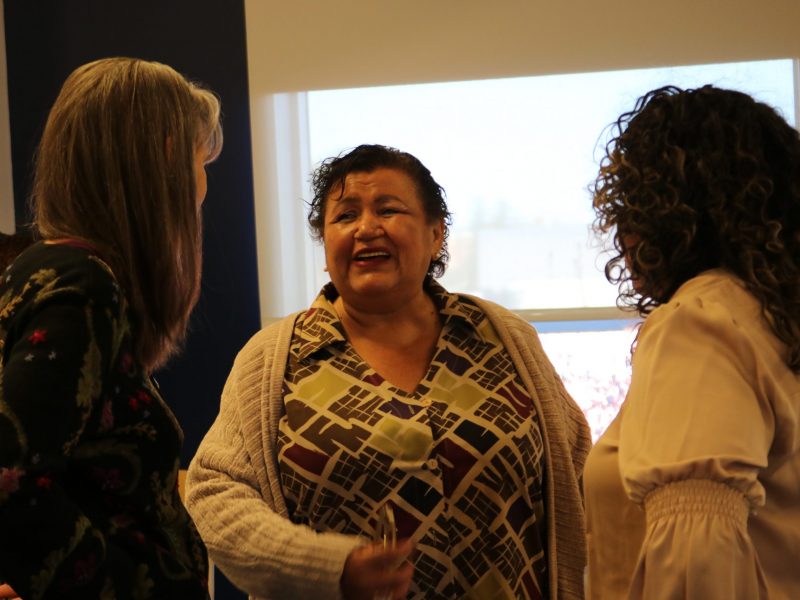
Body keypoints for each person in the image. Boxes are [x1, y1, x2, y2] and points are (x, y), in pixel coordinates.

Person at [186, 143, 591, 599]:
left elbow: (577, 471)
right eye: (344, 216)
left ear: (436, 234)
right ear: (325, 243)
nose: (366, 228)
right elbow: (215, 491)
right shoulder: (274, 359)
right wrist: (324, 567)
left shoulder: (504, 338)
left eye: (388, 209)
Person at [0, 57, 222, 599]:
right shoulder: (83, 285)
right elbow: (12, 484)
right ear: (166, 156)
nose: (203, 183)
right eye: (199, 158)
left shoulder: (58, 270)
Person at [584, 84, 800, 598]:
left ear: (670, 212)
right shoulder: (773, 316)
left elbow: (696, 556)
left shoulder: (699, 321)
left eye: (631, 203)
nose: (621, 231)